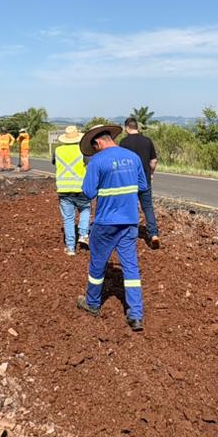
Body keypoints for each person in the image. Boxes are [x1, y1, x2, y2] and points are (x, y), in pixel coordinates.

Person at [76, 123, 148, 331]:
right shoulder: (133, 158)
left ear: (98, 142)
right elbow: (142, 186)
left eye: (95, 147)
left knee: (97, 266)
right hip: (130, 221)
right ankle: (136, 315)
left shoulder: (97, 161)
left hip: (105, 223)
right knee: (131, 266)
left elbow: (88, 192)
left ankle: (92, 304)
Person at [118, 116, 160, 249]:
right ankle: (153, 234)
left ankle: (129, 233)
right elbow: (153, 161)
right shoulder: (147, 141)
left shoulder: (123, 143)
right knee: (147, 208)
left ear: (127, 128)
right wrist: (151, 173)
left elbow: (120, 163)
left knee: (129, 207)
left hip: (128, 182)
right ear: (137, 127)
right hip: (145, 181)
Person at [52, 125, 90, 256]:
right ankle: (84, 234)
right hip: (81, 188)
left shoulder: (57, 151)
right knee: (85, 209)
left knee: (68, 219)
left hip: (63, 189)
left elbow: (54, 162)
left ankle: (70, 248)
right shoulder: (83, 150)